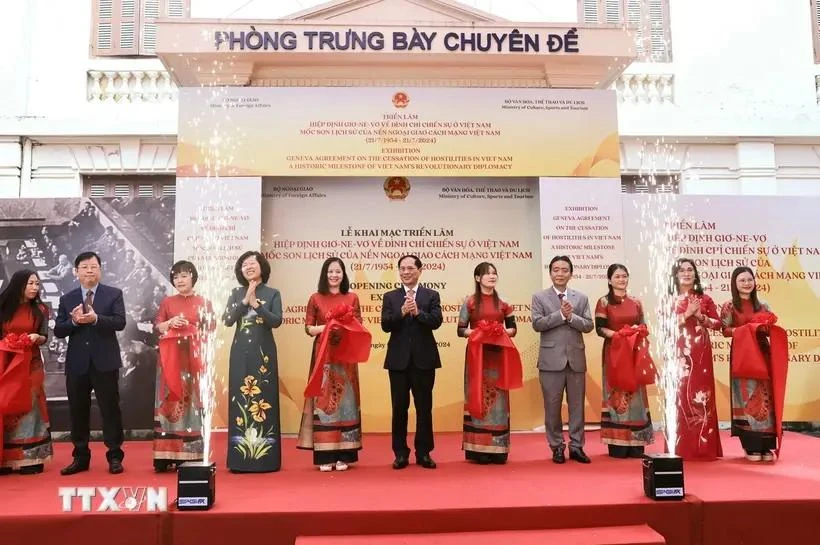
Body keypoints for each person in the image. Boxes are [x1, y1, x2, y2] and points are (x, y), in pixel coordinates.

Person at [54, 251, 126, 475]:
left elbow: (120, 322)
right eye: (84, 267)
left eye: (93, 266)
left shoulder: (113, 294)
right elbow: (58, 330)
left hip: (105, 362)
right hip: (77, 363)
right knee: (78, 411)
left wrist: (96, 319)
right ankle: (80, 457)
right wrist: (74, 321)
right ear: (76, 272)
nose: (89, 271)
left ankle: (114, 456)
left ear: (100, 270)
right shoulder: (67, 299)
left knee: (110, 410)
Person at [297, 257, 367, 472]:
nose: (334, 275)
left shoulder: (352, 297)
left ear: (343, 275)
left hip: (345, 357)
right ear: (324, 274)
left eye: (338, 272)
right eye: (330, 272)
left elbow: (358, 325)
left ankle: (344, 454)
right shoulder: (315, 298)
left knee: (346, 402)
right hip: (323, 357)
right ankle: (325, 455)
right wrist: (329, 326)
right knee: (324, 401)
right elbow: (309, 328)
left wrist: (342, 326)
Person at [222, 251, 283, 473]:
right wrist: (244, 301)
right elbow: (227, 319)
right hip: (240, 353)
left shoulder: (273, 293)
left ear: (262, 267)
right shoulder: (236, 292)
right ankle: (240, 459)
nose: (248, 267)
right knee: (241, 400)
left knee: (263, 398)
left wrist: (257, 305)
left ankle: (266, 459)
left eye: (252, 263)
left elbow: (276, 321)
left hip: (264, 354)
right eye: (244, 264)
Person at [381, 255, 442, 470]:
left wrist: (418, 313)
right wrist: (401, 312)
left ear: (419, 270)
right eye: (402, 268)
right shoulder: (390, 297)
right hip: (398, 361)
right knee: (399, 408)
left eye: (410, 268)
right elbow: (386, 325)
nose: (405, 272)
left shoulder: (431, 295)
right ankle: (400, 453)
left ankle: (424, 453)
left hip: (424, 360)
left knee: (424, 408)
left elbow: (436, 322)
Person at [153, 261, 215, 472]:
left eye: (184, 276)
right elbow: (158, 326)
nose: (180, 280)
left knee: (192, 404)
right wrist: (171, 324)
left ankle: (193, 453)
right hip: (170, 361)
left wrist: (189, 326)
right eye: (176, 277)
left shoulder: (204, 302)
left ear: (193, 278)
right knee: (171, 400)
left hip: (193, 361)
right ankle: (166, 454)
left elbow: (211, 328)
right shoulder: (167, 302)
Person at [531, 255, 594, 464]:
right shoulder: (539, 297)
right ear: (550, 273)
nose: (560, 273)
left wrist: (571, 317)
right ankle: (556, 446)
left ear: (571, 273)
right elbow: (538, 324)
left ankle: (577, 447)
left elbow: (588, 325)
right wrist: (560, 314)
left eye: (564, 270)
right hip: (550, 361)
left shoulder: (581, 297)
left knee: (577, 406)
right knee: (552, 407)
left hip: (575, 360)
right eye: (556, 270)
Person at [457, 262, 521, 464]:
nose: (492, 277)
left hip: (499, 355)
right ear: (478, 278)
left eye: (494, 273)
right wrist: (480, 333)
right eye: (487, 274)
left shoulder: (504, 302)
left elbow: (512, 329)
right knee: (477, 395)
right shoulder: (470, 302)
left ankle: (499, 447)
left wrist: (498, 331)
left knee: (499, 399)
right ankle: (478, 449)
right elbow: (461, 330)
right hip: (477, 355)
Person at [720, 266, 785, 462]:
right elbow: (724, 330)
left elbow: (769, 329)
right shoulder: (729, 306)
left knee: (765, 397)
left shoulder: (763, 305)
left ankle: (766, 446)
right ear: (735, 284)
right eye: (742, 280)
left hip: (763, 355)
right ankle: (750, 446)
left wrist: (764, 327)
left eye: (749, 279)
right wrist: (747, 329)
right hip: (743, 356)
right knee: (746, 397)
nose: (747, 283)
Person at [594, 263, 654, 458]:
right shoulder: (603, 302)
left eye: (624, 276)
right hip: (615, 352)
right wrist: (621, 336)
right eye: (617, 276)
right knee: (616, 392)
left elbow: (643, 324)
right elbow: (600, 329)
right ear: (609, 280)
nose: (621, 279)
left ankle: (637, 442)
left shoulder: (636, 302)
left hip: (634, 352)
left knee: (636, 394)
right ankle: (618, 442)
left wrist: (638, 332)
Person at [0, 270, 53, 474]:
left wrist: (36, 338)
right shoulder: (3, 305)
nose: (34, 288)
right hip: (5, 362)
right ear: (19, 284)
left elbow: (44, 336)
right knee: (6, 402)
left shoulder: (40, 309)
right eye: (31, 283)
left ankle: (31, 457)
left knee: (31, 402)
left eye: (37, 284)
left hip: (31, 363)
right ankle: (5, 457)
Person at [671, 258, 722, 460]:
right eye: (682, 270)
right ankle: (681, 448)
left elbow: (717, 324)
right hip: (679, 354)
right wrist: (687, 314)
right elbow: (665, 325)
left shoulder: (705, 298)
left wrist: (700, 316)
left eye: (690, 269)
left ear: (695, 273)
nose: (686, 273)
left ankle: (704, 448)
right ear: (675, 275)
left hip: (701, 355)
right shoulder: (669, 299)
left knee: (703, 397)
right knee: (681, 396)